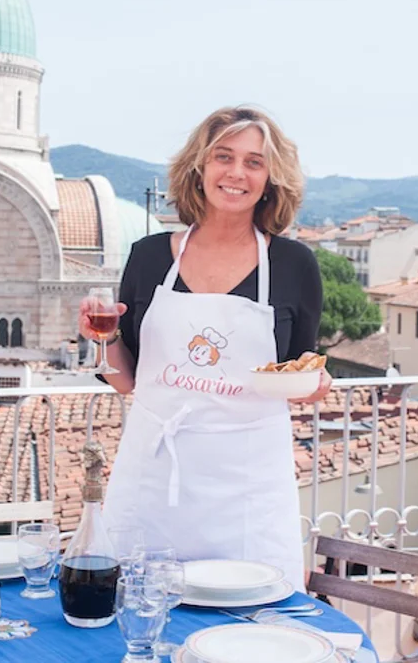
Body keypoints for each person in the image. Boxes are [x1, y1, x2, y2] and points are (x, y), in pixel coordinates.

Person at [79, 106, 330, 591]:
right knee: (139, 605)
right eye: (224, 157)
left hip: (248, 486)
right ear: (199, 166)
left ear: (271, 179)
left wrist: (316, 384)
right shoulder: (149, 256)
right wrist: (103, 338)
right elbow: (128, 380)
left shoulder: (295, 264)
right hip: (154, 477)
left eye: (254, 162)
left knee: (252, 617)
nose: (237, 173)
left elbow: (301, 370)